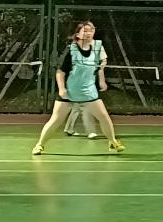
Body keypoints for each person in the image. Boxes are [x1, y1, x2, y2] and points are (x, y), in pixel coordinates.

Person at [32, 21, 124, 155]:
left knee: (104, 117)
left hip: (88, 91)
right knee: (55, 120)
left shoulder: (97, 48)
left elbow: (99, 67)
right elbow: (60, 72)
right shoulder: (71, 50)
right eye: (85, 31)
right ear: (78, 34)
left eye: (91, 30)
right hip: (70, 91)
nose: (88, 33)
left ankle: (112, 141)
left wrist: (102, 81)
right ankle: (40, 144)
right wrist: (62, 89)